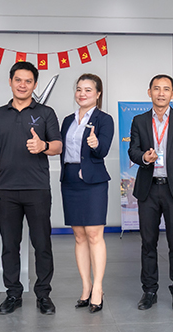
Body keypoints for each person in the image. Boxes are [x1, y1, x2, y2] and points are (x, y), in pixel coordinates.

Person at [0, 61, 63, 315]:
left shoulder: (46, 113)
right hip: (6, 190)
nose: (22, 85)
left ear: (35, 84)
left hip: (37, 189)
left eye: (28, 81)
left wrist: (43, 146)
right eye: (18, 80)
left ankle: (43, 295)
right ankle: (13, 294)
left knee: (42, 244)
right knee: (10, 245)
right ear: (10, 82)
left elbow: (58, 146)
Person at [128, 74, 173, 311]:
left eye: (166, 89)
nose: (161, 93)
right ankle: (149, 291)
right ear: (149, 92)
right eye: (156, 88)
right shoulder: (139, 120)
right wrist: (144, 157)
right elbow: (133, 151)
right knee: (148, 243)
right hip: (148, 190)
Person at [59, 74, 114, 314]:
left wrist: (95, 144)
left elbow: (103, 150)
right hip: (70, 180)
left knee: (94, 234)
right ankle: (86, 287)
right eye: (79, 89)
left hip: (93, 182)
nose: (82, 94)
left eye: (88, 90)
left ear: (98, 94)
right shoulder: (67, 120)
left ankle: (98, 288)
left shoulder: (104, 119)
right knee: (79, 235)